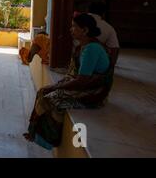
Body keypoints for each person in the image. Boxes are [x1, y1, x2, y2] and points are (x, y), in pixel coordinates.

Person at [23, 13, 113, 150]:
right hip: (84, 84)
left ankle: (50, 139)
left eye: (74, 27)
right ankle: (34, 132)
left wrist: (56, 86)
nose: (71, 29)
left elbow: (82, 80)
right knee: (42, 91)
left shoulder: (91, 49)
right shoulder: (83, 46)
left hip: (93, 91)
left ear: (85, 30)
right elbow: (75, 75)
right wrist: (58, 85)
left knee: (50, 99)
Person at [88, 2, 120, 67]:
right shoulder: (109, 28)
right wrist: (111, 66)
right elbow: (115, 49)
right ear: (103, 14)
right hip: (96, 62)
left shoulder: (77, 20)